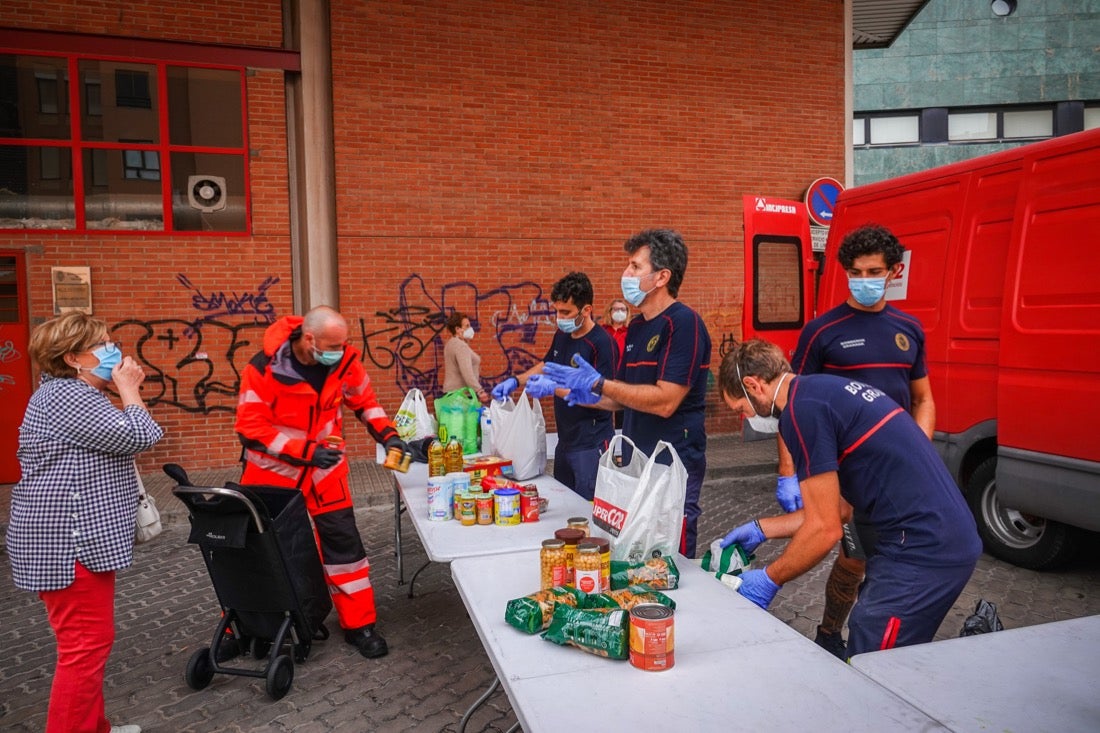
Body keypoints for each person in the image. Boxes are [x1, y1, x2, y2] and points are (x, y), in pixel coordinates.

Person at [716, 338, 980, 659]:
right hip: (939, 537)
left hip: (924, 551)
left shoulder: (800, 413)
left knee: (875, 666)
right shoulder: (820, 392)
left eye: (741, 409)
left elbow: (825, 529)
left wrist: (770, 579)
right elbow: (837, 509)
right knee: (874, 639)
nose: (746, 417)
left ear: (753, 385)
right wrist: (762, 528)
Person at [775, 223, 935, 660]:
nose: (863, 280)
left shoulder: (909, 328)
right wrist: (789, 470)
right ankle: (829, 632)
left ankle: (884, 641)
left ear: (893, 271)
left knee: (898, 558)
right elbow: (792, 401)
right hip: (847, 473)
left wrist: (919, 449)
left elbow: (923, 397)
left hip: (899, 472)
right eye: (856, 272)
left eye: (873, 271)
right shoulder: (822, 331)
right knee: (853, 560)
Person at [6, 312, 163, 733]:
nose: (114, 351)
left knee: (89, 644)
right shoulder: (67, 397)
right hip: (67, 543)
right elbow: (141, 435)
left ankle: (96, 728)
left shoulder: (77, 396)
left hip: (75, 539)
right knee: (84, 647)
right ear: (74, 358)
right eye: (102, 345)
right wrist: (129, 389)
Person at [235, 305, 407, 659]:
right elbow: (250, 429)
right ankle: (248, 626)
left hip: (326, 475)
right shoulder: (262, 368)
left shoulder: (344, 362)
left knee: (346, 552)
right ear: (309, 338)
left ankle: (359, 625)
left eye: (343, 345)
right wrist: (305, 451)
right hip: (273, 476)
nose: (340, 352)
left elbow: (366, 403)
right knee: (262, 555)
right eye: (333, 345)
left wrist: (389, 436)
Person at [542, 229, 712, 557]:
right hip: (635, 461)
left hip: (672, 463)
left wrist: (599, 384)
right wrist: (580, 393)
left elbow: (665, 402)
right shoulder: (636, 327)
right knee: (635, 547)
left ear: (662, 276)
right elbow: (621, 397)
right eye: (628, 265)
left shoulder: (684, 324)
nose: (626, 274)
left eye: (635, 266)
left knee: (668, 553)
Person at [490, 272, 618, 500]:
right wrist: (516, 380)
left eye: (566, 312)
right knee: (565, 504)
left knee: (588, 509)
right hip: (565, 441)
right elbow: (546, 364)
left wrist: (554, 389)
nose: (559, 317)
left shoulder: (601, 343)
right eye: (557, 311)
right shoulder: (563, 334)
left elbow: (606, 399)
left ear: (586, 310)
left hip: (591, 443)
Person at [441, 311, 490, 404]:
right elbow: (467, 372)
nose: (470, 329)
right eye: (467, 326)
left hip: (451, 394)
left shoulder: (450, 344)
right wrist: (479, 391)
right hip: (461, 396)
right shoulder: (461, 346)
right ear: (458, 329)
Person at [601, 297, 630, 429]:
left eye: (623, 309)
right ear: (610, 312)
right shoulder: (602, 331)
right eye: (616, 309)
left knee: (622, 412)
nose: (619, 312)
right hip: (604, 376)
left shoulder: (630, 332)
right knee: (602, 409)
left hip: (623, 378)